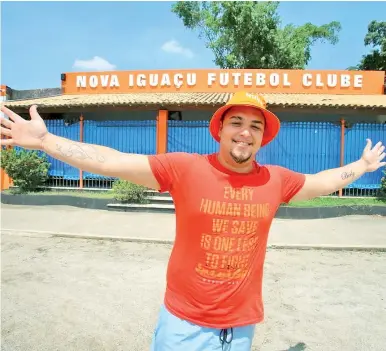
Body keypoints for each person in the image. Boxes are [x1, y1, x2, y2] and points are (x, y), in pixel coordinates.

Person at [1, 91, 385, 351]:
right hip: (184, 324)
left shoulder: (276, 180)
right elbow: (111, 160)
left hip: (240, 327)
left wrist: (362, 166)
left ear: (263, 138)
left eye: (255, 126)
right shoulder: (185, 168)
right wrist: (46, 141)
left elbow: (320, 183)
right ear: (220, 129)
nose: (245, 132)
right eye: (237, 122)